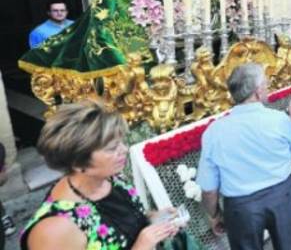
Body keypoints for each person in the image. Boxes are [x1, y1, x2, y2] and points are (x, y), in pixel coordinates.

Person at [21, 102, 181, 250]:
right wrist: (140, 246)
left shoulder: (111, 178)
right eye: (112, 148)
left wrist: (153, 221)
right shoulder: (55, 230)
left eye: (121, 142)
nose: (124, 150)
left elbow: (121, 225)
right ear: (79, 163)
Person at [197, 64, 291, 249]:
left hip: (241, 207)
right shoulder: (279, 120)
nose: (268, 88)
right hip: (281, 196)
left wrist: (214, 215)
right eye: (266, 85)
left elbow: (209, 189)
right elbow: (290, 152)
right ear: (258, 92)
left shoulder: (214, 132)